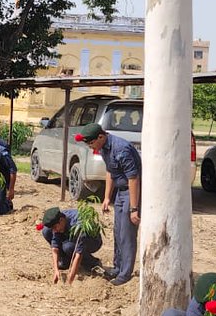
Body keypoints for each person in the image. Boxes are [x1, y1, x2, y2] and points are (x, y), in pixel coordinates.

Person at [74, 123, 140, 286]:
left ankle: (125, 274)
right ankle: (117, 268)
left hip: (131, 192)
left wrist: (134, 208)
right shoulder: (104, 148)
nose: (91, 147)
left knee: (126, 234)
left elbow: (134, 179)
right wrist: (106, 197)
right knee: (118, 231)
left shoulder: (121, 149)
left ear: (101, 137)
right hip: (120, 191)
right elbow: (110, 171)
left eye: (91, 143)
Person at [37, 206, 104, 284]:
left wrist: (70, 279)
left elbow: (79, 253)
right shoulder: (58, 221)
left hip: (92, 241)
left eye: (55, 227)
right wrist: (56, 270)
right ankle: (66, 261)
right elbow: (55, 247)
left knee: (68, 247)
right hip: (71, 236)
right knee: (46, 231)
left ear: (61, 220)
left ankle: (93, 263)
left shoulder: (79, 225)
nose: (54, 230)